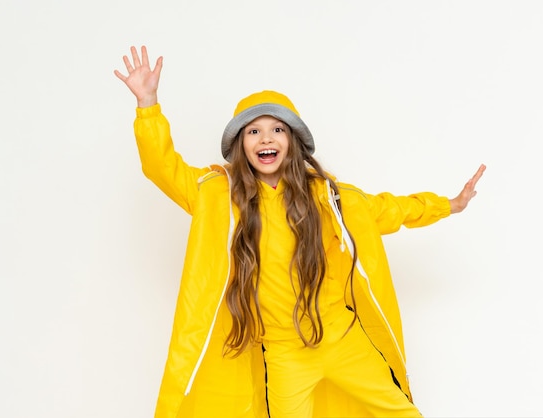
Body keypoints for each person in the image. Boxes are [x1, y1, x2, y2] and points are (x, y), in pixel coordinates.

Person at [115, 45, 486, 418]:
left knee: (400, 411)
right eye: (254, 131)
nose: (266, 139)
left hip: (343, 339)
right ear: (240, 145)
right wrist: (148, 106)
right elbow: (164, 169)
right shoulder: (218, 196)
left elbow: (385, 209)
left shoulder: (325, 195)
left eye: (277, 129)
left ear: (292, 141)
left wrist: (448, 205)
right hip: (284, 353)